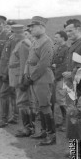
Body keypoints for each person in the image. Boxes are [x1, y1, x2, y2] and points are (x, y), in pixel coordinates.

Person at [25, 16, 56, 146]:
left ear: (42, 27)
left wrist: (31, 77)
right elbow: (30, 59)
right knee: (40, 106)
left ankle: (51, 135)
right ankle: (44, 131)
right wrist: (27, 74)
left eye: (33, 27)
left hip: (42, 78)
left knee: (45, 106)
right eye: (30, 27)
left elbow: (43, 64)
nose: (31, 29)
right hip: (36, 78)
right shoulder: (36, 41)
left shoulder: (46, 42)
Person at [63, 19, 81, 141]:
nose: (68, 34)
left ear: (78, 30)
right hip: (71, 88)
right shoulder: (74, 45)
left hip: (80, 90)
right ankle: (74, 151)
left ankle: (78, 154)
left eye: (71, 30)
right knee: (72, 119)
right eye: (67, 31)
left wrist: (72, 73)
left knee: (79, 121)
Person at [8, 24, 35, 137]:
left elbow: (25, 63)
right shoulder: (20, 43)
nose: (12, 36)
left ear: (18, 33)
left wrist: (23, 81)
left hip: (20, 79)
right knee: (23, 103)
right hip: (17, 78)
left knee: (23, 103)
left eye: (13, 33)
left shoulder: (23, 44)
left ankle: (27, 128)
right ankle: (27, 127)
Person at [0, 20, 19, 128]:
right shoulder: (9, 40)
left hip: (9, 73)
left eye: (10, 27)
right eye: (7, 27)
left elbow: (11, 59)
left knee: (3, 94)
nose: (7, 29)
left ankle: (4, 119)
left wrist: (6, 73)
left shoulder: (13, 40)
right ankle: (14, 116)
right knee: (12, 94)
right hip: (7, 72)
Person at [52, 30, 69, 131]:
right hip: (57, 77)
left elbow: (65, 65)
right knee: (58, 100)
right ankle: (60, 121)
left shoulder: (66, 49)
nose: (55, 39)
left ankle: (66, 123)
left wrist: (56, 68)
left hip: (61, 77)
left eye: (56, 37)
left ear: (63, 38)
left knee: (62, 100)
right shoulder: (58, 49)